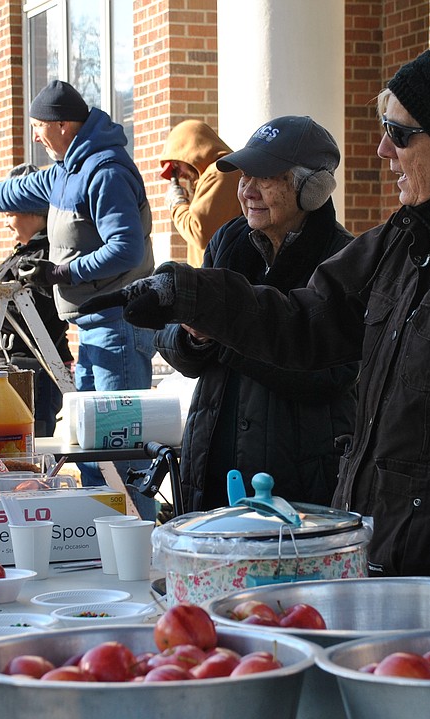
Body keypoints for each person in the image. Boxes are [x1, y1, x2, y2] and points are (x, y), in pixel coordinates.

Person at [81, 30, 430, 623]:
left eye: (400, 134)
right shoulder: (405, 239)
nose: (382, 150)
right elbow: (305, 321)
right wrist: (190, 294)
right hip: (377, 561)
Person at [155, 116, 357, 511]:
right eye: (243, 177)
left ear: (311, 188)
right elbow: (171, 343)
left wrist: (228, 332)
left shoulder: (344, 259)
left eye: (264, 179)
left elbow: (332, 374)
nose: (246, 191)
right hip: (212, 467)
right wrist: (194, 336)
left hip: (298, 481)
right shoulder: (228, 240)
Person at [0, 80, 157, 518]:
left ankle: (136, 552)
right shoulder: (65, 172)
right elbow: (10, 193)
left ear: (62, 125)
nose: (36, 136)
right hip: (95, 331)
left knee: (119, 454)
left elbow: (126, 248)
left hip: (120, 328)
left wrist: (59, 272)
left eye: (39, 127)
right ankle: (106, 549)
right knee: (94, 450)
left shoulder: (105, 171)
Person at [0, 163, 74, 437]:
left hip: (36, 367)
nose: (5, 221)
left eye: (10, 213)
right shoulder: (24, 252)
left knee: (32, 447)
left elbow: (33, 309)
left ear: (33, 212)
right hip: (15, 363)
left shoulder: (47, 255)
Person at [159, 120, 243, 268]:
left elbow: (199, 232)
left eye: (177, 165)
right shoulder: (214, 174)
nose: (179, 175)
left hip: (218, 279)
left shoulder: (220, 173)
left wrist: (177, 203)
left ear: (190, 152)